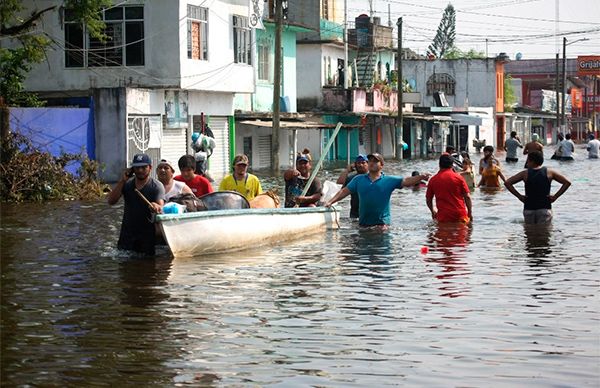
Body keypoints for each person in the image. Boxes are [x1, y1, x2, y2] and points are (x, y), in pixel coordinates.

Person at [325, 153, 430, 229]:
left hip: (382, 227)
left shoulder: (389, 180)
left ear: (382, 165)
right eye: (370, 161)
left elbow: (407, 180)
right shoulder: (358, 179)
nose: (372, 163)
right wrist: (330, 201)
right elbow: (344, 191)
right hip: (363, 225)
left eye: (375, 161)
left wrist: (420, 177)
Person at [107, 153, 165, 255]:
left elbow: (160, 206)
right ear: (132, 169)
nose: (140, 170)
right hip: (127, 235)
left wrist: (156, 206)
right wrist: (122, 181)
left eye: (144, 167)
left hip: (146, 237)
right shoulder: (127, 184)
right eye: (137, 168)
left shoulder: (156, 186)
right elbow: (111, 201)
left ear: (150, 168)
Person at [504, 150, 571, 224]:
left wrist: (519, 196)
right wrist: (556, 196)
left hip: (529, 208)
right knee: (544, 233)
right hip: (544, 208)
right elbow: (567, 182)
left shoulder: (525, 173)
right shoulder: (549, 172)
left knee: (529, 233)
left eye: (528, 160)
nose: (527, 163)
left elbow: (507, 183)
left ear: (532, 161)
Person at [426, 153, 473, 223]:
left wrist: (432, 211)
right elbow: (467, 197)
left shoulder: (433, 180)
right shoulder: (459, 178)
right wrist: (469, 212)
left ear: (439, 164)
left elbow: (428, 199)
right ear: (452, 165)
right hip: (460, 215)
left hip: (444, 217)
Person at [336, 154, 369, 218]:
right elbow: (339, 186)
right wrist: (347, 170)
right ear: (355, 165)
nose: (361, 165)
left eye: (363, 163)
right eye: (358, 163)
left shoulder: (372, 177)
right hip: (355, 213)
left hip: (369, 212)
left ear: (368, 164)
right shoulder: (351, 178)